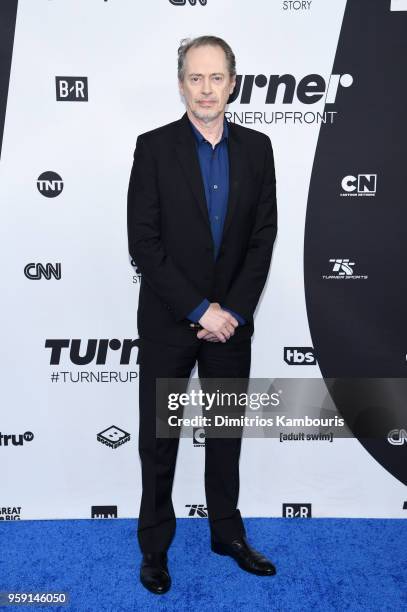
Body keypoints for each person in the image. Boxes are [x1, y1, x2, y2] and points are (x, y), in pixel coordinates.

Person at [127, 35, 278, 595]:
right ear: (181, 83)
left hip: (231, 327)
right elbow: (143, 242)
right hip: (170, 322)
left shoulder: (259, 149)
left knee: (224, 435)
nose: (206, 89)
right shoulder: (154, 147)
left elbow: (263, 240)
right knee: (159, 442)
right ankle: (155, 549)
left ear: (232, 83)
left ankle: (227, 534)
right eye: (196, 77)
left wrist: (230, 312)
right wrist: (198, 309)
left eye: (217, 78)